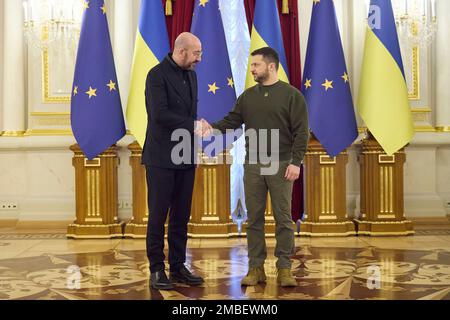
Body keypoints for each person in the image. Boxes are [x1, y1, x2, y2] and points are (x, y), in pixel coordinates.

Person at [202, 47, 309, 287]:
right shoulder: (247, 97)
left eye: (256, 65)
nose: (252, 69)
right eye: (252, 66)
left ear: (271, 66)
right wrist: (211, 128)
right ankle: (255, 268)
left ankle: (284, 268)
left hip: (282, 165)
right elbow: (232, 121)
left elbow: (302, 133)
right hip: (252, 164)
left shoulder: (292, 96)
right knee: (254, 219)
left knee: (283, 218)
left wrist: (295, 162)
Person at [142, 32, 205, 290]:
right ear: (182, 51)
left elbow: (191, 115)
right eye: (197, 53)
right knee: (158, 215)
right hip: (160, 157)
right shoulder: (156, 75)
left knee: (181, 215)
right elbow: (159, 115)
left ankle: (178, 266)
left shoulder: (191, 75)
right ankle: (157, 269)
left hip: (186, 155)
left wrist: (196, 149)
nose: (199, 58)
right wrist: (193, 126)